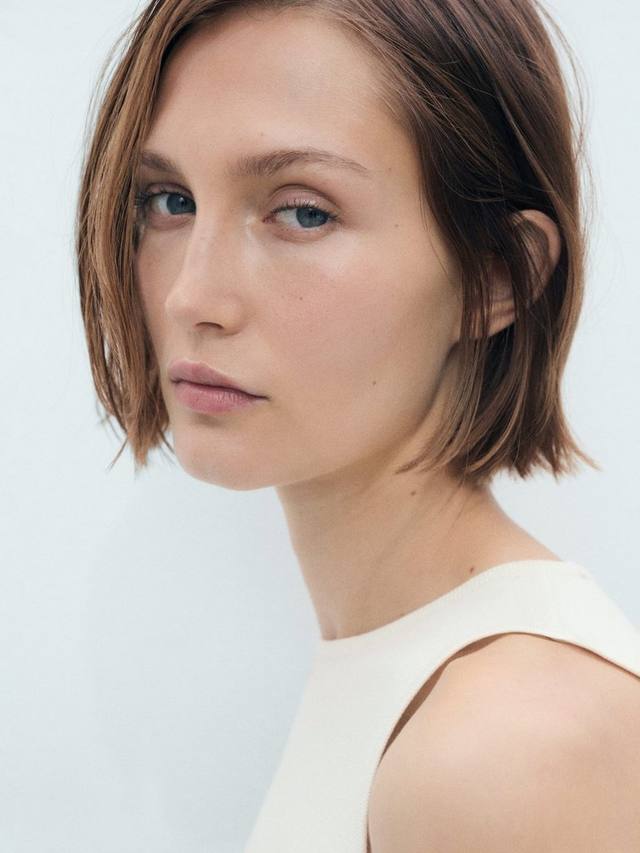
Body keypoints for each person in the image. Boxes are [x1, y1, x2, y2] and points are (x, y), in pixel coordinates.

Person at [75, 1, 640, 850]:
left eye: (303, 212)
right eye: (170, 200)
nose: (192, 295)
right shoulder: (413, 669)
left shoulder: (507, 747)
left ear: (499, 275)